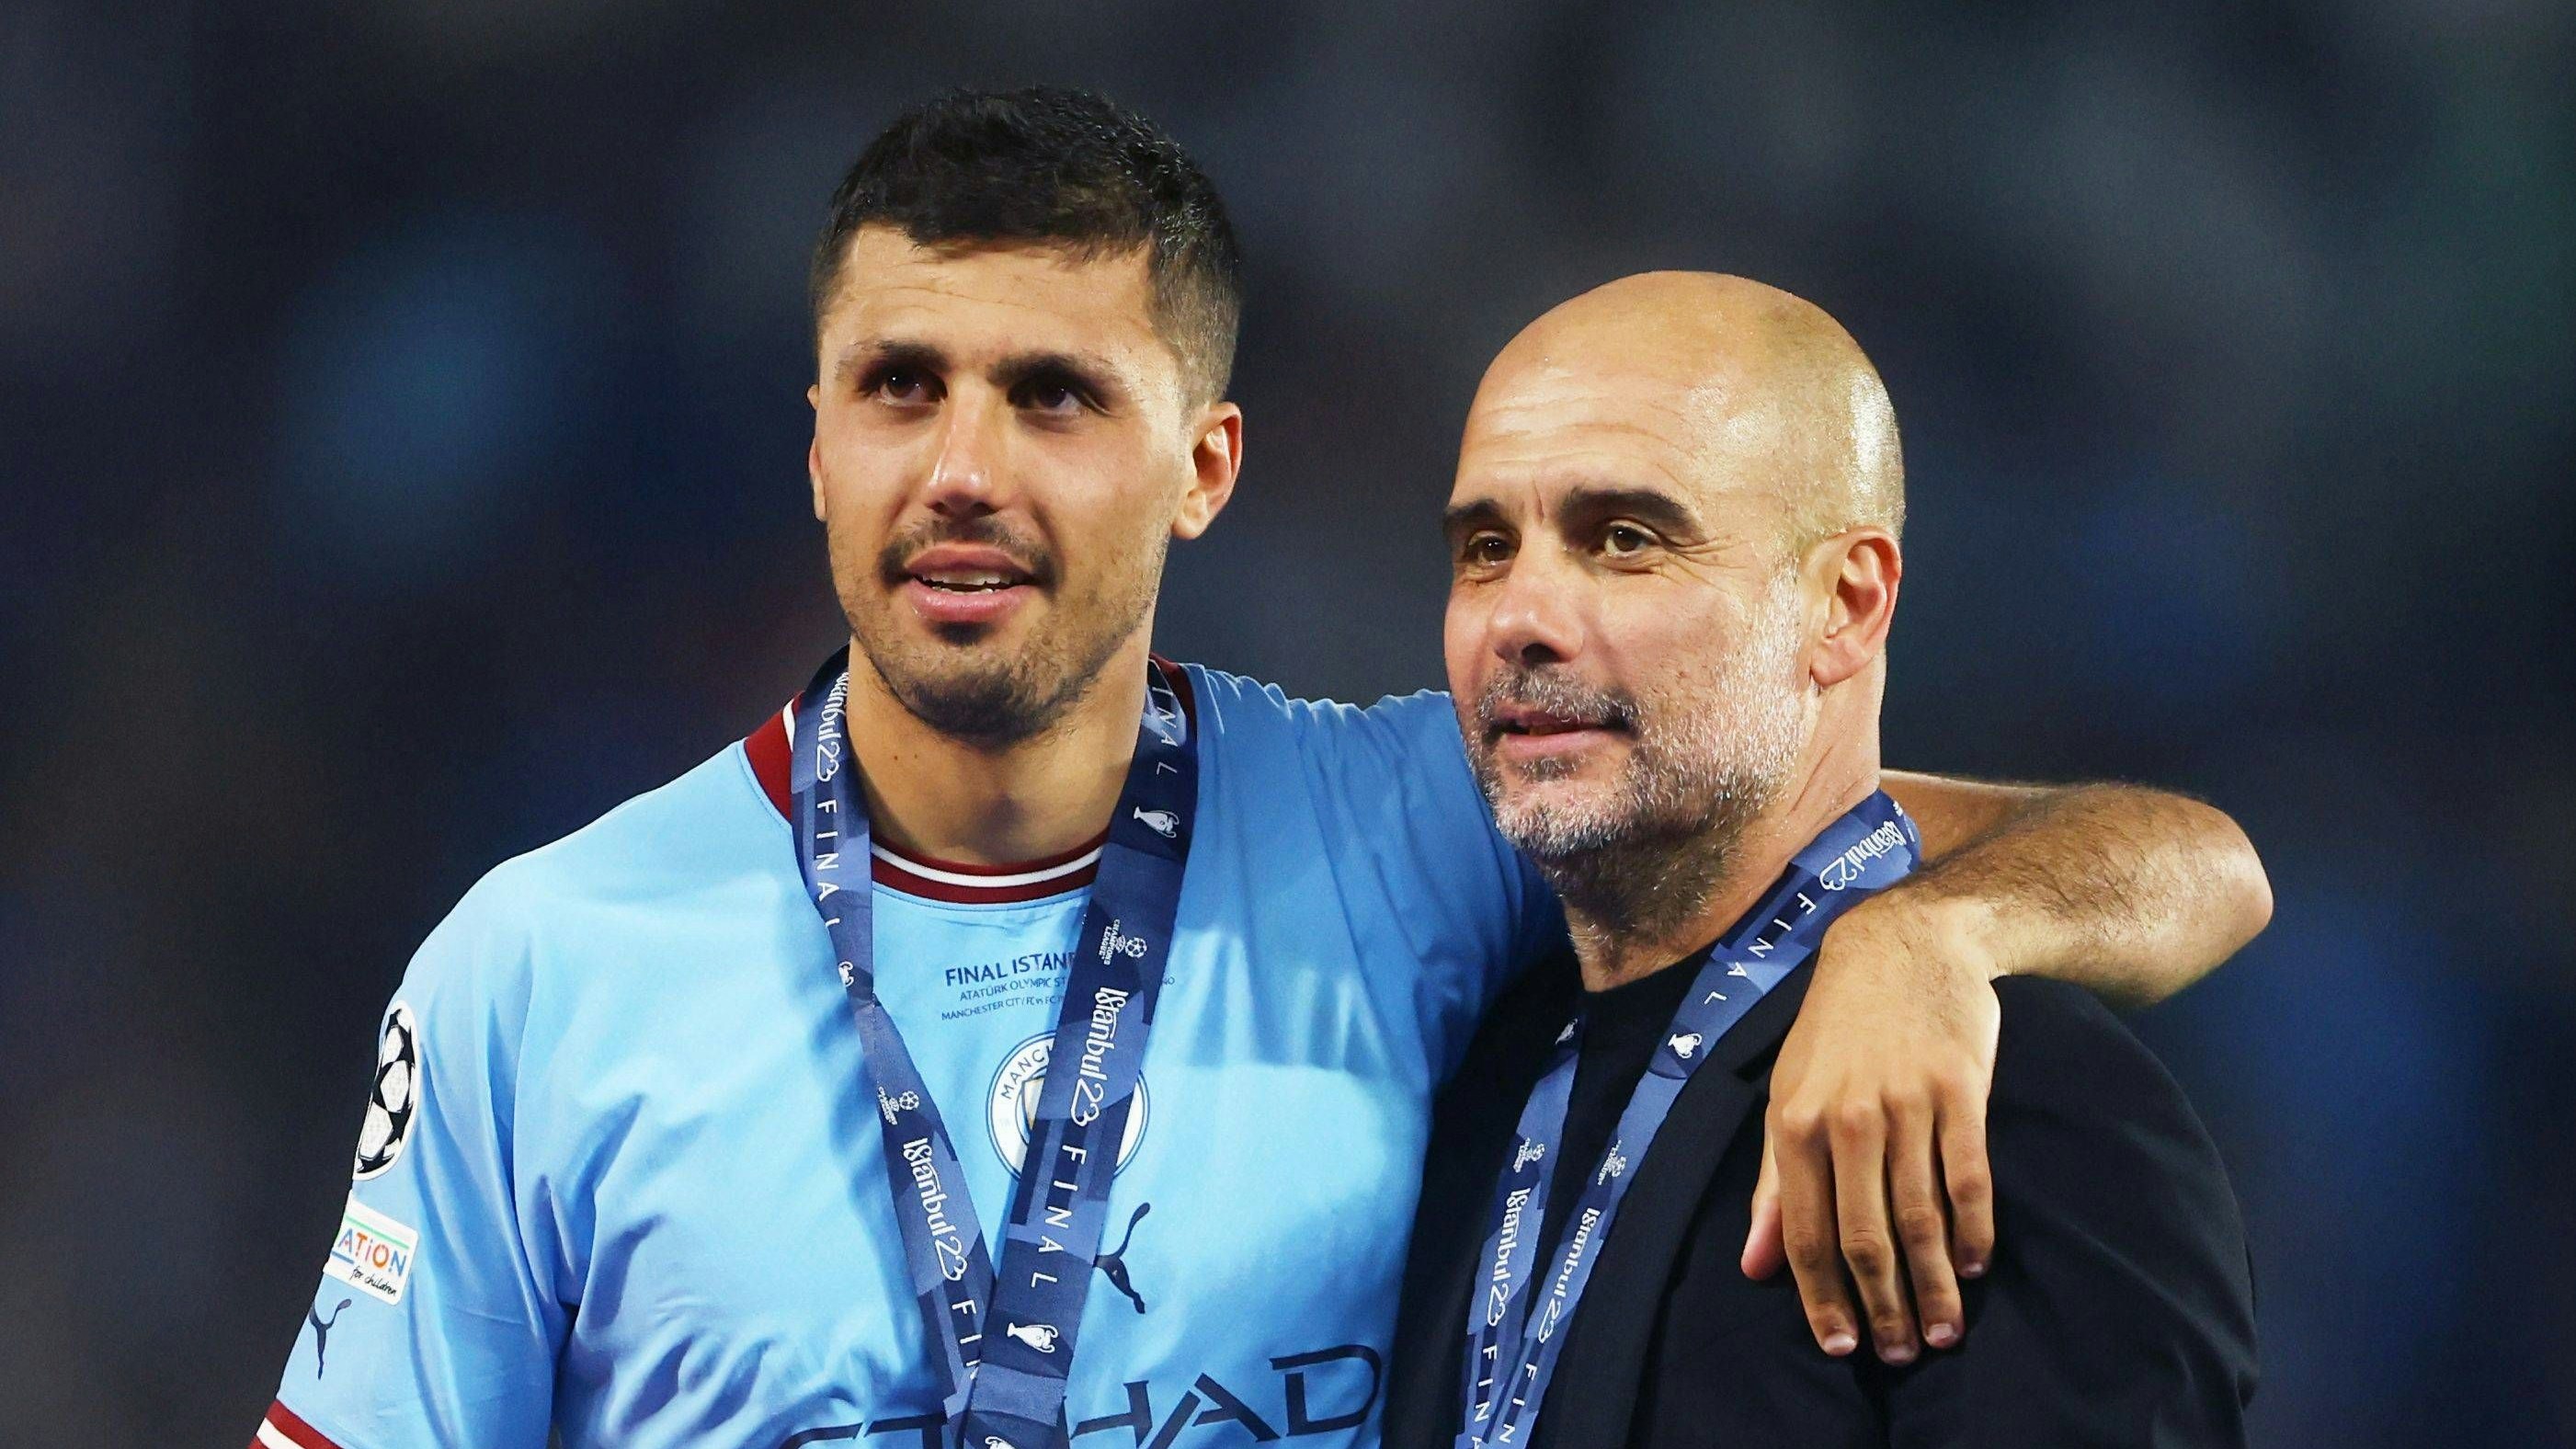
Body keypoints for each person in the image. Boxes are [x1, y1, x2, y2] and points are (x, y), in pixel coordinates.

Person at [248, 91, 2268, 1449]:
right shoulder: (542, 964)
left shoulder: (1423, 821)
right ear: (814, 445)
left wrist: (1942, 932)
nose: (963, 470)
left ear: (1204, 463)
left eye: (1054, 396)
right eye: (899, 389)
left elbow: (2180, 861)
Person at [1381, 273, 2259, 1449]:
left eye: (1626, 539)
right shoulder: (1468, 1073)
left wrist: (1925, 931)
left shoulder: (1999, 1099)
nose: (1518, 614)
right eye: (1486, 547)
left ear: (1845, 605)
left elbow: (2211, 866)